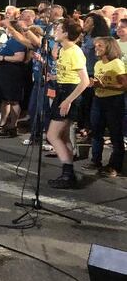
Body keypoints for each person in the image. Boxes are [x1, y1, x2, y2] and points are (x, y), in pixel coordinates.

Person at [46, 19, 90, 188]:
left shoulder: (74, 51)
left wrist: (67, 100)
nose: (55, 31)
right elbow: (68, 73)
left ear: (65, 33)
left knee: (52, 135)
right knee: (63, 137)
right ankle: (67, 174)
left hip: (69, 94)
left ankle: (68, 174)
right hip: (62, 90)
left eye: (58, 29)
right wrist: (55, 77)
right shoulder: (63, 50)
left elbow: (84, 81)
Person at [85, 37, 126, 177]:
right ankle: (96, 160)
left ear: (109, 47)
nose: (96, 48)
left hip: (114, 102)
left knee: (115, 134)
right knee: (96, 131)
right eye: (96, 45)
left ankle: (115, 166)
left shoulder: (117, 64)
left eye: (100, 45)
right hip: (98, 100)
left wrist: (104, 86)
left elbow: (124, 85)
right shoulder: (97, 65)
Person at [0, 21, 29, 136]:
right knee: (5, 100)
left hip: (12, 75)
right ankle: (3, 123)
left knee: (13, 100)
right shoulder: (10, 40)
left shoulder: (18, 41)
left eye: (8, 28)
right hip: (3, 74)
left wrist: (2, 58)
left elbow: (19, 57)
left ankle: (13, 125)